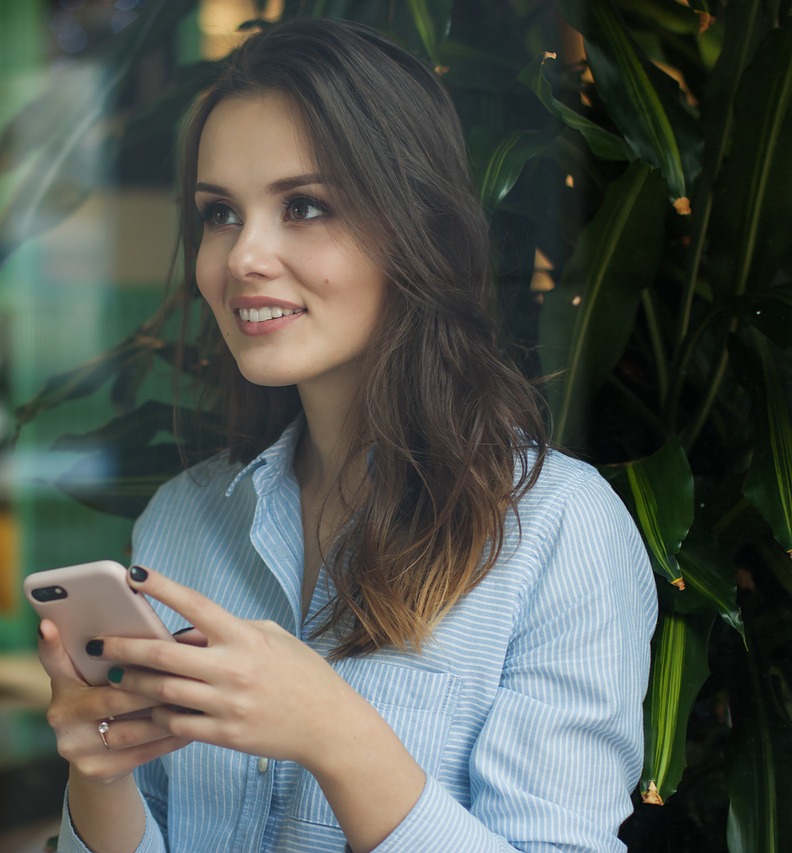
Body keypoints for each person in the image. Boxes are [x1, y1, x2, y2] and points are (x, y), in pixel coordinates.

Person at [35, 17, 657, 853]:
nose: (244, 255)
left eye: (304, 206)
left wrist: (337, 734)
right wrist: (100, 771)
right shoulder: (182, 522)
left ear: (415, 227)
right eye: (219, 214)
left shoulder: (557, 531)